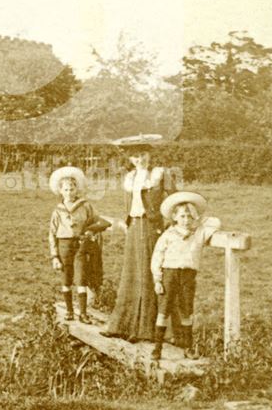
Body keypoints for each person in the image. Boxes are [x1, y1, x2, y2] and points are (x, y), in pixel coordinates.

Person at [102, 141, 181, 341]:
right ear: (130, 159)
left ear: (149, 154)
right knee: (131, 273)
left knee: (149, 273)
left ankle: (148, 329)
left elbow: (176, 199)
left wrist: (172, 223)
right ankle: (123, 325)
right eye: (135, 156)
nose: (140, 159)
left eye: (143, 154)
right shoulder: (130, 177)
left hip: (151, 226)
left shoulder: (160, 174)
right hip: (134, 227)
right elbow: (130, 205)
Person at [150, 192, 221, 360]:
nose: (186, 220)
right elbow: (157, 257)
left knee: (186, 312)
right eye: (182, 216)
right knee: (163, 311)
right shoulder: (168, 235)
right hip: (169, 274)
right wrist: (158, 279)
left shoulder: (199, 233)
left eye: (190, 216)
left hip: (188, 276)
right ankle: (157, 347)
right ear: (174, 217)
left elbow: (215, 222)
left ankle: (188, 347)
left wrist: (198, 219)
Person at [48, 166, 111, 324]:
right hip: (64, 246)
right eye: (66, 189)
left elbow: (100, 221)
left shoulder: (85, 206)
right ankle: (69, 311)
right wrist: (54, 256)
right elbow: (52, 234)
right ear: (60, 191)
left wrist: (91, 230)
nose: (69, 192)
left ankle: (83, 313)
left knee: (81, 278)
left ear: (77, 190)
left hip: (80, 246)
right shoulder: (57, 211)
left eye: (72, 189)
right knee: (66, 279)